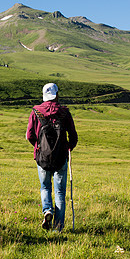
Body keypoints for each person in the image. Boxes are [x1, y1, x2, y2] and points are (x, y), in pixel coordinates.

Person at [26, 83, 78, 232]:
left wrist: (37, 147)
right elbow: (73, 136)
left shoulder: (36, 112)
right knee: (60, 192)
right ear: (57, 95)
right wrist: (68, 147)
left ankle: (47, 210)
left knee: (45, 187)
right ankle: (58, 227)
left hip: (42, 157)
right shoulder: (64, 112)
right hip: (61, 157)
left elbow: (29, 135)